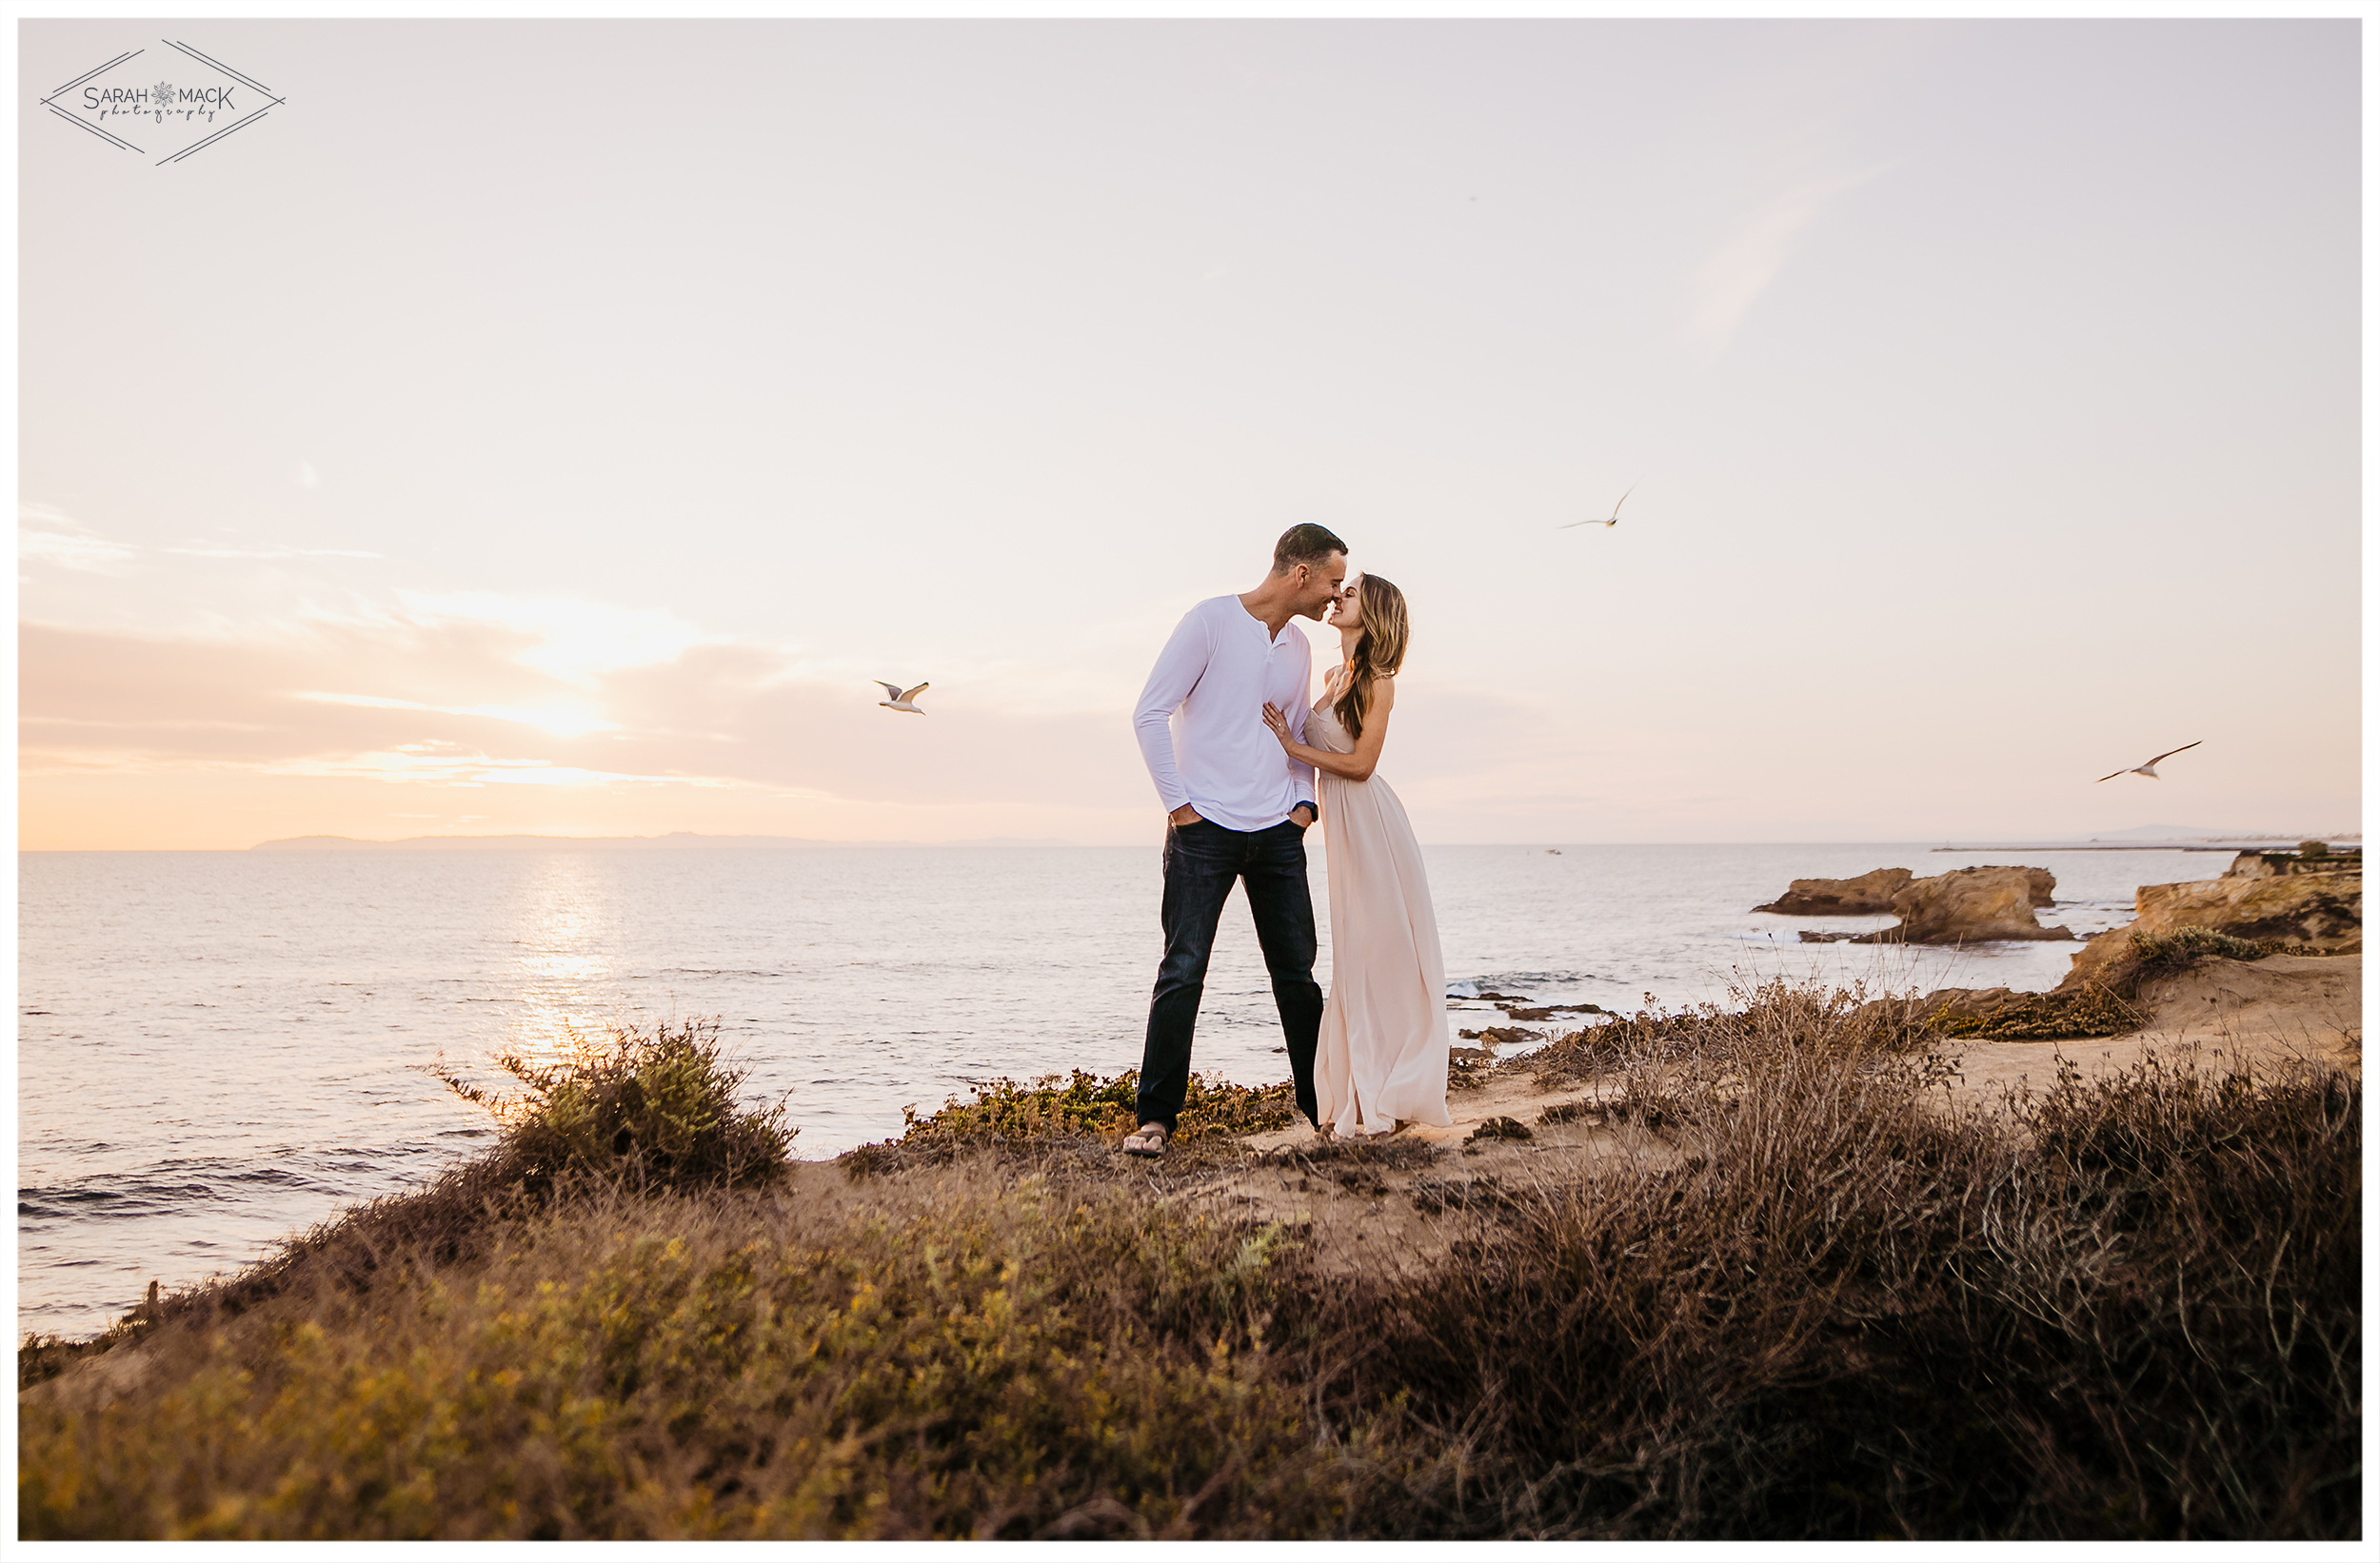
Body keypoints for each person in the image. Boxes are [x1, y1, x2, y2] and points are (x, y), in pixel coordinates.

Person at [1122, 524, 1349, 1158]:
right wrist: (1181, 809)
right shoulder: (1210, 623)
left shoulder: (1299, 646)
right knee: (1183, 970)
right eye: (1332, 582)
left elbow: (1298, 727)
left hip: (1277, 832)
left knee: (1297, 977)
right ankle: (1155, 1120)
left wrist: (1302, 806)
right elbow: (1148, 713)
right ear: (1300, 574)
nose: (1336, 595)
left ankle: (1322, 1112)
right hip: (1204, 832)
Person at [1260, 573, 1451, 1137]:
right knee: (1354, 954)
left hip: (1371, 822)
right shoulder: (1333, 675)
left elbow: (1363, 763)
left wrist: (1293, 747)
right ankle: (1359, 1095)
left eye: (1352, 593)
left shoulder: (1378, 682)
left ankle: (1389, 1092)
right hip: (1342, 826)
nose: (1339, 597)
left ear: (1371, 615)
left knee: (1381, 952)